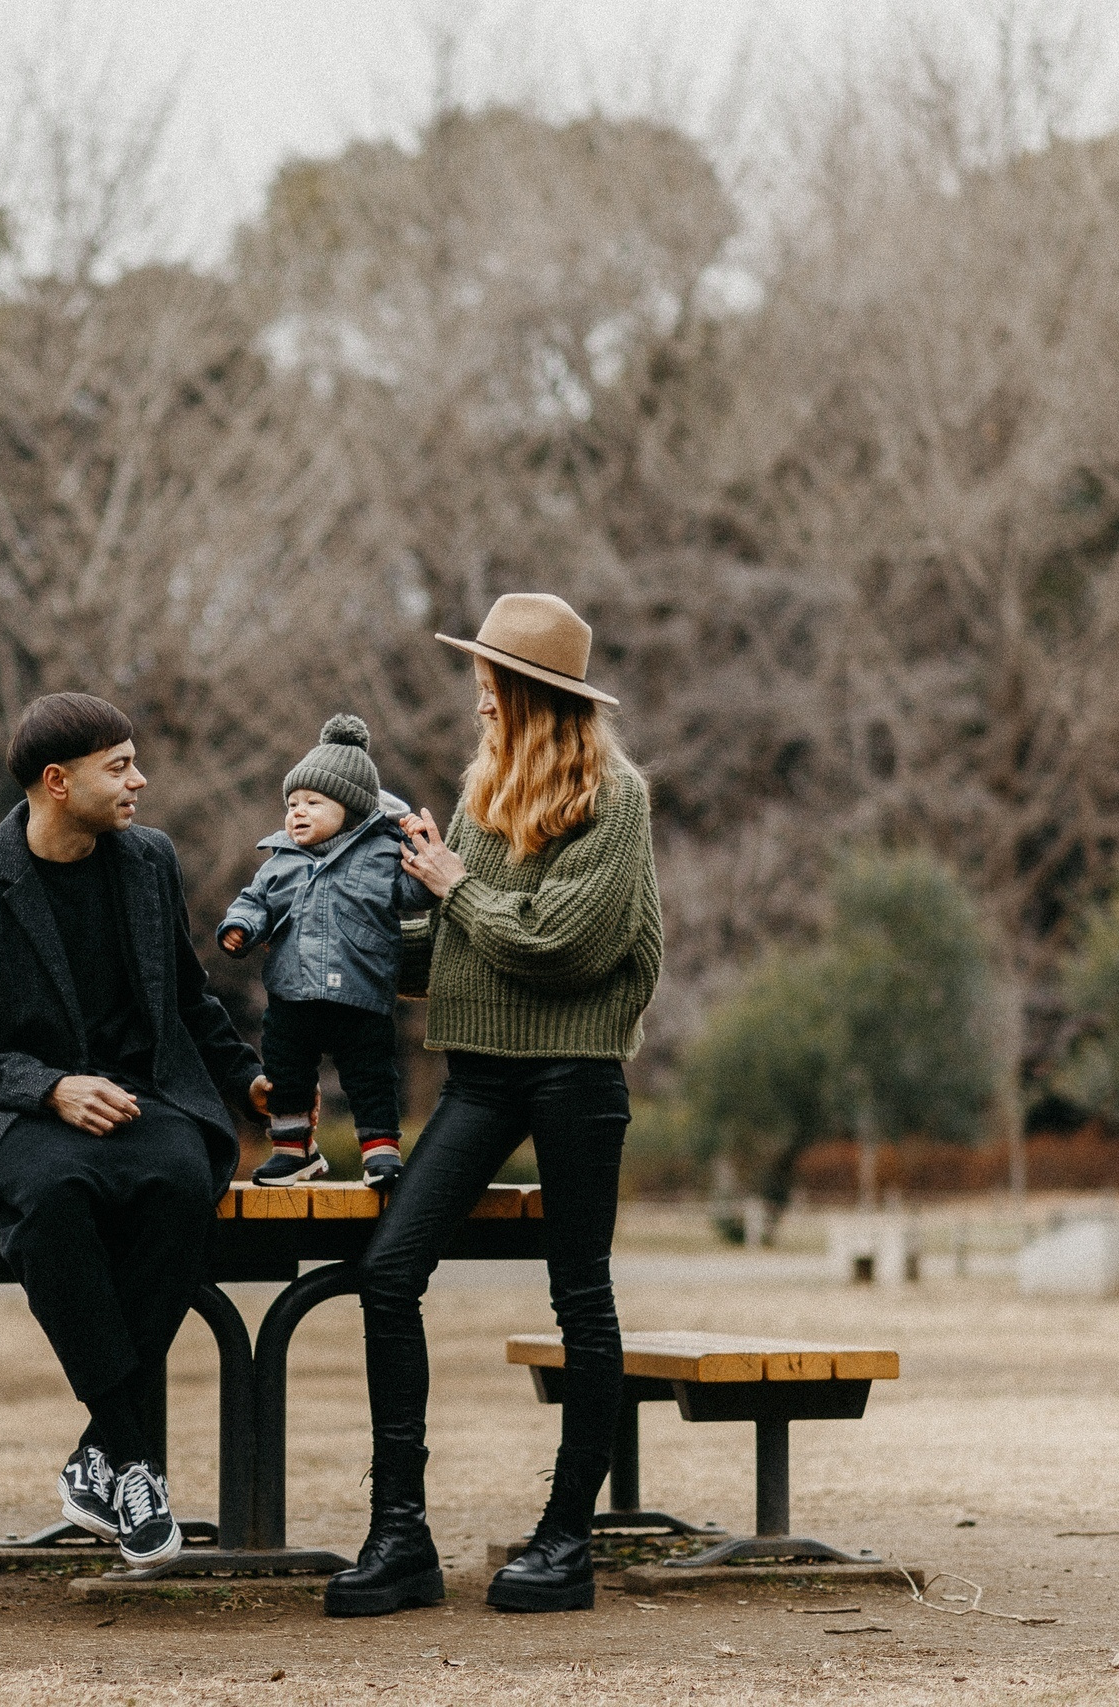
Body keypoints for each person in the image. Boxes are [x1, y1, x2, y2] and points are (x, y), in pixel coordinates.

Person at [322, 593, 664, 1619]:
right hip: (482, 1071)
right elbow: (467, 945)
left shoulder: (616, 797)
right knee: (387, 1271)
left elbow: (565, 944)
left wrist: (453, 885)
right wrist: (345, 941)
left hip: (573, 1073)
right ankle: (400, 1537)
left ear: (530, 696)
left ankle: (566, 1543)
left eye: (487, 686)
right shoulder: (482, 797)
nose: (475, 702)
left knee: (580, 1299)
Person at [0, 692, 268, 1572]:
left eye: (135, 760)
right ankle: (135, 1461)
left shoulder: (148, 863)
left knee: (186, 1176)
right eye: (119, 765)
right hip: (10, 1121)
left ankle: (103, 1450)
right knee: (55, 1196)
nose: (139, 779)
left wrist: (246, 1078)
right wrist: (49, 1086)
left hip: (145, 1108)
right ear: (57, 783)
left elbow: (185, 998)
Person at [216, 714, 434, 1188]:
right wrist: (241, 926)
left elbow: (418, 894)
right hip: (292, 994)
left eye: (313, 802)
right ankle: (294, 1151)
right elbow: (255, 901)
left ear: (351, 810)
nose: (298, 811)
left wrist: (418, 847)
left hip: (362, 992)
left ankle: (381, 1155)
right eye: (292, 803)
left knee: (371, 1076)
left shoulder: (381, 853)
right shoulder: (281, 860)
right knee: (285, 1074)